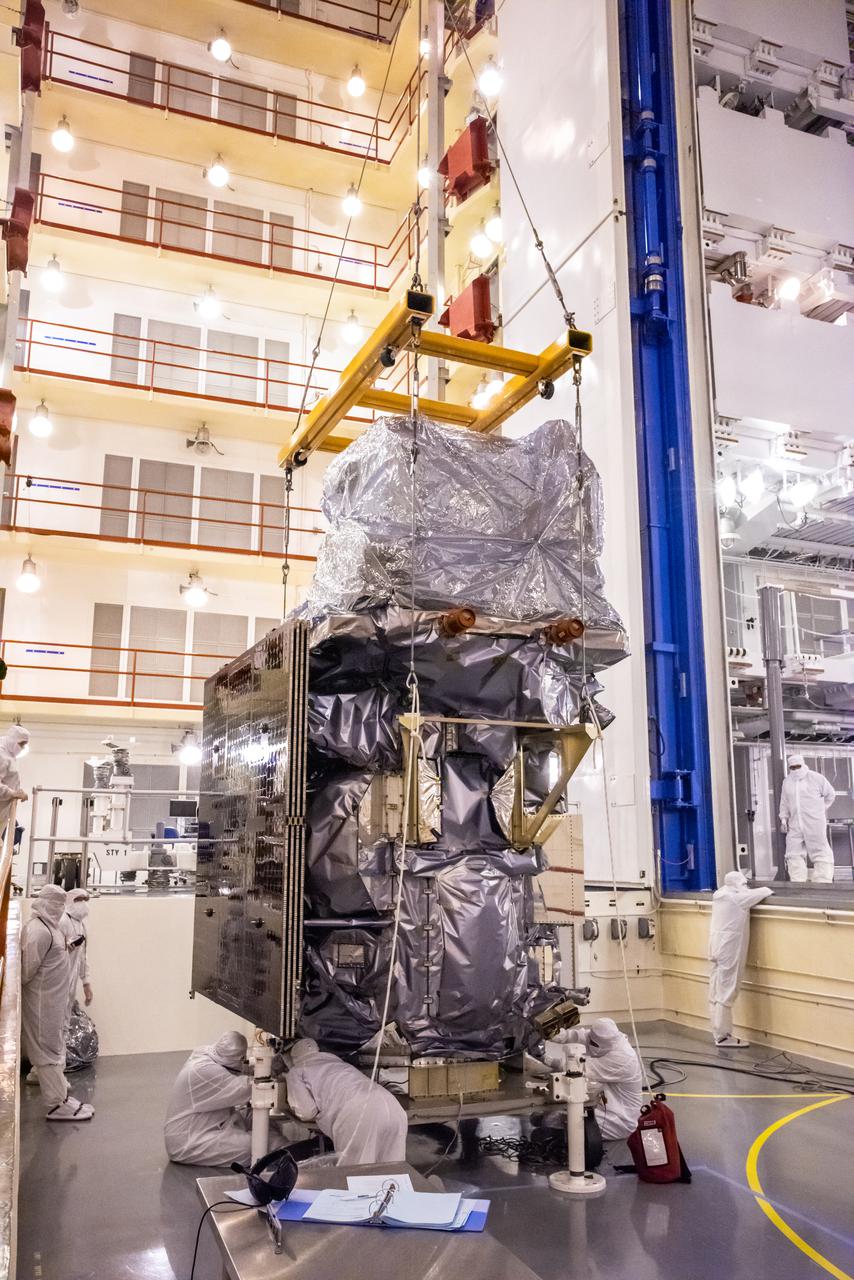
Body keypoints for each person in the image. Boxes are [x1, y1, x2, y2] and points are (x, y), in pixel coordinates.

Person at [21, 884, 94, 1121]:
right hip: (43, 1001)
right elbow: (26, 971)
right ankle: (56, 1104)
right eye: (56, 903)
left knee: (53, 1044)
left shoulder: (50, 928)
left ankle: (60, 1097)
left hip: (54, 999)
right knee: (47, 1048)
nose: (59, 909)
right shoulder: (38, 931)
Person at [284, 1038, 408, 1165]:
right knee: (393, 1175)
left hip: (359, 1114)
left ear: (294, 1058)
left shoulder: (297, 1071)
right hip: (393, 1107)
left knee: (356, 1173)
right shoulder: (340, 1064)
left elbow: (306, 1112)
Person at [542, 1018, 643, 1141]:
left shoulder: (623, 1058)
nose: (589, 1043)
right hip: (603, 1105)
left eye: (593, 1043)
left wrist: (544, 1058)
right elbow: (574, 1036)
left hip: (618, 1120)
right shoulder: (603, 1038)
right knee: (550, 1116)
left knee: (551, 1121)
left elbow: (578, 1067)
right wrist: (548, 1032)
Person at [164, 1031, 253, 1165]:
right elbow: (244, 1089)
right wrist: (274, 1072)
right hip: (188, 1141)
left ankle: (285, 1148)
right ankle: (286, 1155)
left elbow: (235, 1067)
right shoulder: (204, 1070)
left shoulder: (210, 1055)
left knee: (252, 1118)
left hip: (205, 1122)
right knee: (252, 1147)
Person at [708, 870, 773, 1047]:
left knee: (715, 991)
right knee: (727, 990)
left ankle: (717, 1032)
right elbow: (763, 892)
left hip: (716, 947)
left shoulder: (719, 895)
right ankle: (723, 1036)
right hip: (729, 949)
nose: (745, 887)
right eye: (743, 884)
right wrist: (769, 887)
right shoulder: (737, 898)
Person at [779, 754, 835, 884]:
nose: (795, 769)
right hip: (795, 823)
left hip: (814, 822)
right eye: (792, 767)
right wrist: (783, 819)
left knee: (820, 851)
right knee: (793, 852)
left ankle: (823, 881)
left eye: (798, 766)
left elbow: (830, 795)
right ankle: (798, 882)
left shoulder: (816, 778)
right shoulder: (787, 782)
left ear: (803, 764)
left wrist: (821, 809)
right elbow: (784, 802)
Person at [61, 889, 93, 1019]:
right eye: (79, 900)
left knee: (66, 1018)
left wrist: (86, 983)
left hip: (71, 978)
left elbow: (83, 956)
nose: (84, 903)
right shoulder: (62, 921)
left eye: (86, 900)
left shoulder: (82, 925)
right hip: (58, 978)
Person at [0, 724, 29, 835]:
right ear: (13, 740)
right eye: (21, 744)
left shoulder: (8, 752)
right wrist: (13, 793)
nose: (22, 748)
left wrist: (17, 792)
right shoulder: (2, 755)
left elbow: (9, 779)